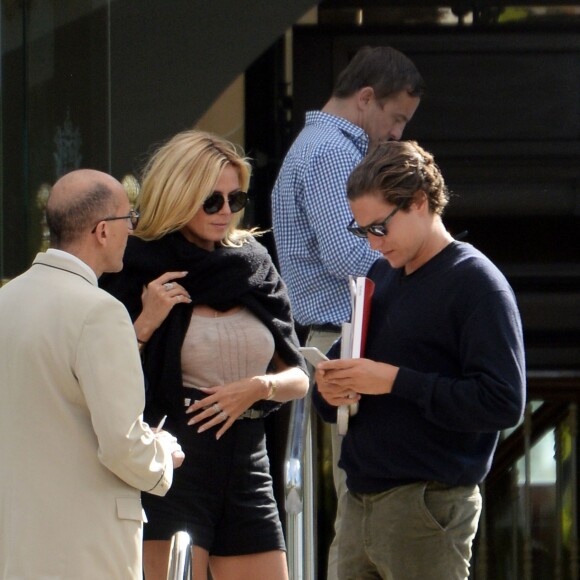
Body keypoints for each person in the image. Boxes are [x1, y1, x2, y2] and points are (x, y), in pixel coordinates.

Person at [101, 129, 309, 580]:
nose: (226, 212)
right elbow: (105, 378)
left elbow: (299, 375)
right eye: (210, 200)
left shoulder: (253, 263)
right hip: (174, 456)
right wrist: (147, 321)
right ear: (178, 195)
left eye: (235, 199)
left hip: (249, 459)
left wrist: (259, 387)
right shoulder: (135, 265)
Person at [312, 140, 526, 580]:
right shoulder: (380, 277)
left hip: (428, 505)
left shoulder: (476, 283)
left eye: (379, 228)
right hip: (358, 503)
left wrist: (394, 381)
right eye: (362, 231)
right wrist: (328, 389)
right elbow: (342, 377)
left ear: (419, 203)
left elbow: (503, 402)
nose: (373, 244)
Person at [270, 44, 425, 578]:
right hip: (342, 331)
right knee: (362, 489)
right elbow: (346, 251)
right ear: (366, 97)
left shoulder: (317, 146)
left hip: (334, 331)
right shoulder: (333, 152)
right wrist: (418, 268)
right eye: (396, 117)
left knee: (357, 488)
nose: (397, 133)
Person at [0, 169, 184, 580]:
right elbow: (121, 443)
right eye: (129, 219)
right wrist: (163, 456)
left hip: (15, 544)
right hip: (86, 548)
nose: (132, 231)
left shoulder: (5, 301)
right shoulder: (100, 311)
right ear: (103, 230)